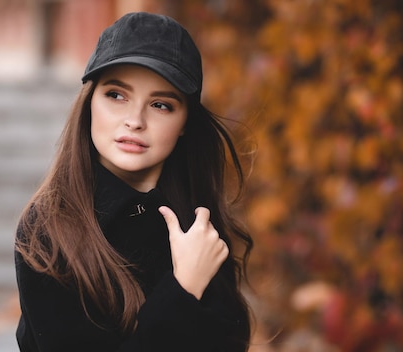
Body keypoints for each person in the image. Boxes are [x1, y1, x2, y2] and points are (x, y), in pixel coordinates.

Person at [14, 11, 253, 351]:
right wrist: (183, 290)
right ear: (90, 103)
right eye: (117, 95)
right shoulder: (49, 231)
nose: (135, 121)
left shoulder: (198, 229)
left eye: (160, 104)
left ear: (185, 122)